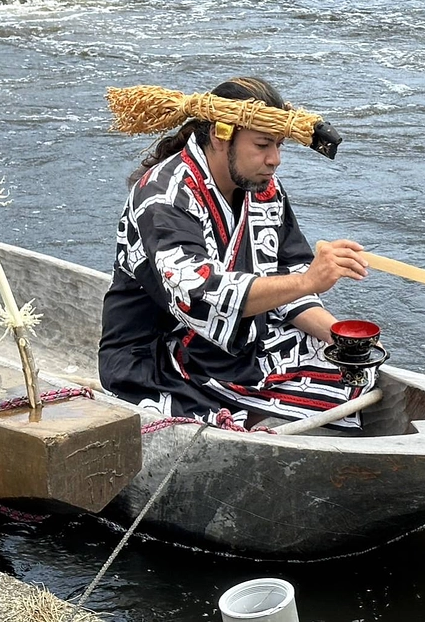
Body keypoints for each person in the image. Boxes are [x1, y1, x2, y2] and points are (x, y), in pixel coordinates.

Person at [98, 77, 374, 430]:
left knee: (356, 373)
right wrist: (306, 281)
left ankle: (271, 414)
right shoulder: (163, 196)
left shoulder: (262, 187)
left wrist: (339, 335)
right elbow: (196, 298)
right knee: (227, 419)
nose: (274, 160)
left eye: (279, 145)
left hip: (239, 347)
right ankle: (258, 419)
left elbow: (287, 278)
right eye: (262, 145)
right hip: (159, 354)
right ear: (219, 134)